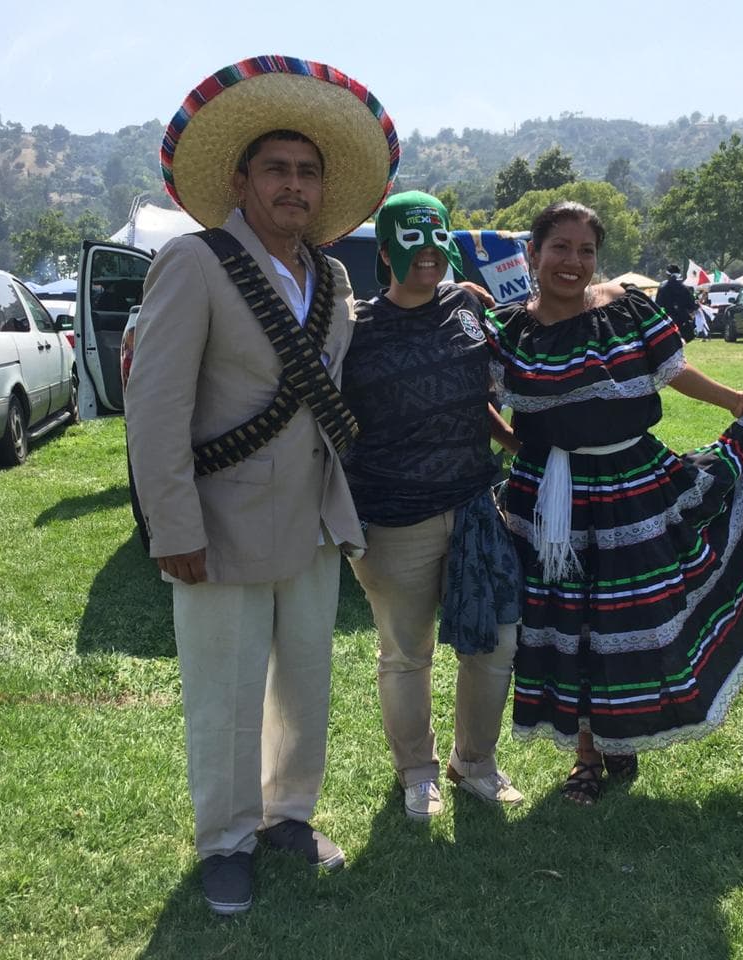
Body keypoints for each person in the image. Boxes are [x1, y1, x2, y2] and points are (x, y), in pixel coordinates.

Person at [123, 56, 399, 915]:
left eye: (307, 173)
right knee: (226, 693)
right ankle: (226, 840)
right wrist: (174, 527)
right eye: (276, 170)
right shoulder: (195, 265)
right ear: (241, 182)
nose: (293, 186)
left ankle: (288, 814)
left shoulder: (336, 278)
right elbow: (155, 408)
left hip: (313, 518)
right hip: (223, 519)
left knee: (305, 685)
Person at [485, 201, 743, 805]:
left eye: (585, 250)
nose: (572, 262)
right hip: (546, 501)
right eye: (559, 247)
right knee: (568, 623)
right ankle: (586, 754)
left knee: (629, 618)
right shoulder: (508, 331)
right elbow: (477, 395)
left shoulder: (628, 310)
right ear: (533, 254)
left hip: (632, 489)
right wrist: (516, 442)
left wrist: (734, 399)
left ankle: (618, 735)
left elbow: (673, 369)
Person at [340, 191, 526, 819]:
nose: (428, 253)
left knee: (496, 642)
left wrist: (511, 439)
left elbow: (481, 395)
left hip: (476, 505)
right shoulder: (355, 329)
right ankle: (417, 771)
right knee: (406, 653)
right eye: (412, 240)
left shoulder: (468, 307)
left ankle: (474, 762)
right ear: (386, 251)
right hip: (394, 516)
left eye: (437, 237)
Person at [656, 263, 698, 341]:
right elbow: (691, 305)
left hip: (667, 321)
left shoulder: (662, 287)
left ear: (667, 274)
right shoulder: (684, 288)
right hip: (682, 321)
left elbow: (658, 305)